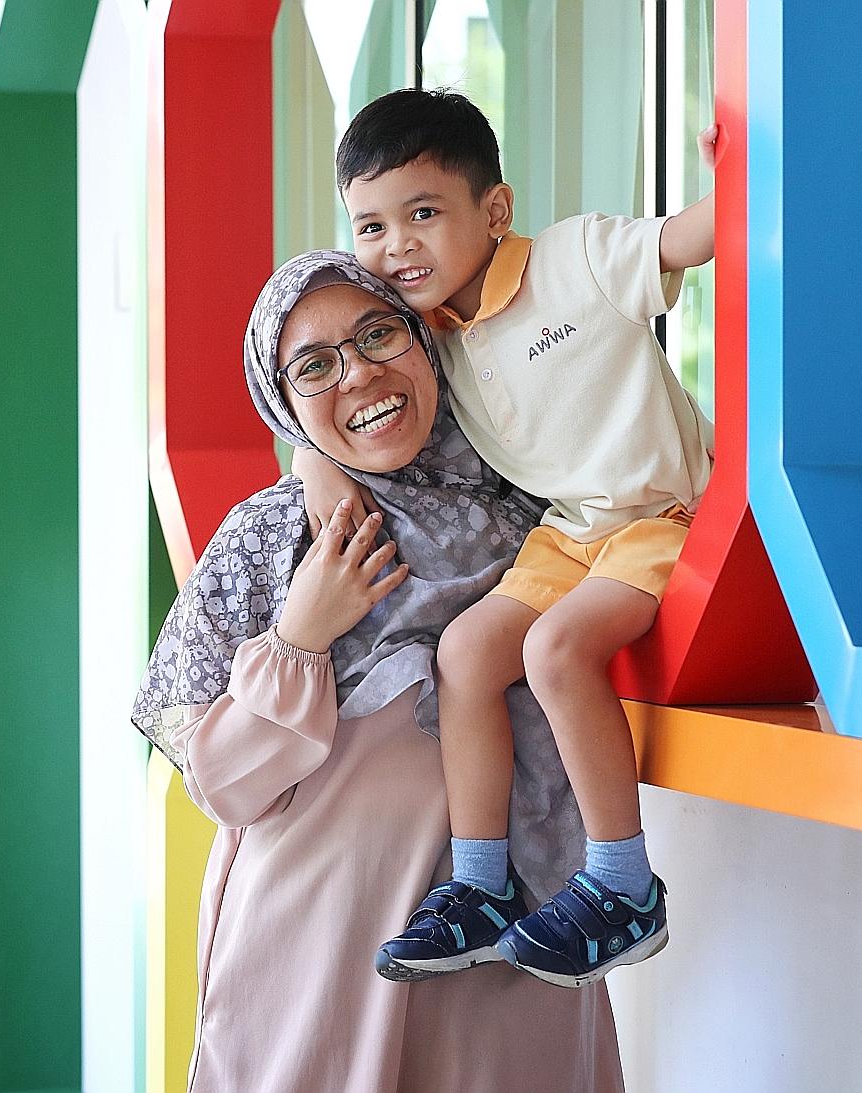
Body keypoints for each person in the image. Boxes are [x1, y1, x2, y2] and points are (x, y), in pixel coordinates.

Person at [133, 251, 623, 1091]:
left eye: (378, 333)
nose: (359, 373)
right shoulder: (274, 537)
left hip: (508, 941)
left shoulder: (540, 502)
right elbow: (222, 785)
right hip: (321, 948)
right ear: (282, 401)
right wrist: (301, 632)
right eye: (314, 366)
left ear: (426, 343)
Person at [293, 89, 718, 987]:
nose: (396, 245)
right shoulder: (428, 331)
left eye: (422, 213)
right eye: (369, 226)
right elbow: (324, 370)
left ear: (495, 210)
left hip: (664, 514)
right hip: (571, 534)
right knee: (468, 651)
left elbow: (690, 238)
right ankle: (483, 888)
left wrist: (742, 166)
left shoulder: (578, 259)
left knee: (557, 649)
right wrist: (311, 464)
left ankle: (623, 885)